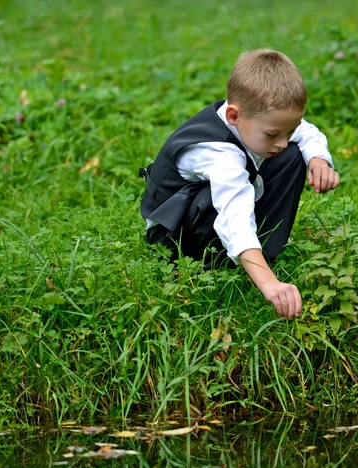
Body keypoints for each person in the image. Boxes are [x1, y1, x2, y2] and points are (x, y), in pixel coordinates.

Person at [140, 49, 339, 318]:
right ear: (234, 116)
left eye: (287, 131)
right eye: (272, 134)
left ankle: (263, 254)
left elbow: (305, 130)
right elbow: (234, 217)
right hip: (174, 235)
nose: (281, 140)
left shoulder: (254, 118)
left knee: (293, 155)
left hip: (215, 211)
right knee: (214, 198)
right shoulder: (217, 153)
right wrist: (269, 285)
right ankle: (218, 269)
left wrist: (318, 159)